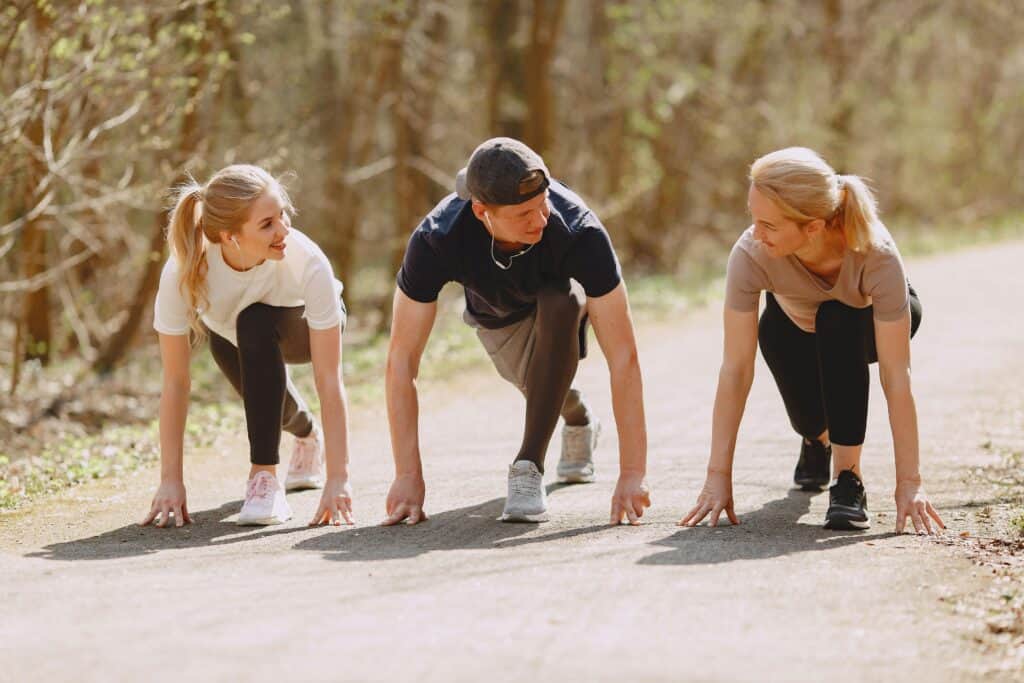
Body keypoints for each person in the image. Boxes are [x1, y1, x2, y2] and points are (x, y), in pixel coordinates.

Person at [383, 137, 650, 525]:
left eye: (543, 205)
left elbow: (624, 356)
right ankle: (579, 419)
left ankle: (527, 468)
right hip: (498, 318)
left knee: (561, 300)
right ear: (481, 211)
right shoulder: (437, 238)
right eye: (523, 213)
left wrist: (632, 474)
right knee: (545, 391)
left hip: (559, 303)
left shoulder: (579, 230)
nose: (540, 220)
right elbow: (401, 360)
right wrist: (407, 477)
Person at [679, 147, 945, 534]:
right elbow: (735, 370)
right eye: (753, 218)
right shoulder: (752, 254)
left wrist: (910, 483)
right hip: (791, 324)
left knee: (837, 319)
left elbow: (895, 375)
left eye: (769, 224)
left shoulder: (875, 253)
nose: (755, 232)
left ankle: (847, 480)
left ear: (813, 227)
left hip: (864, 323)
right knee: (807, 418)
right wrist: (717, 475)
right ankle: (817, 441)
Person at [142, 164, 354, 528]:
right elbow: (175, 383)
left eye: (283, 214)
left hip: (303, 327)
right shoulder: (183, 271)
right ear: (229, 236)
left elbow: (329, 380)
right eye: (267, 223)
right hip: (235, 336)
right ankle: (306, 435)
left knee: (254, 320)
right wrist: (170, 481)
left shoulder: (307, 260)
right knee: (248, 356)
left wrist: (339, 479)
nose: (284, 228)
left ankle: (264, 480)